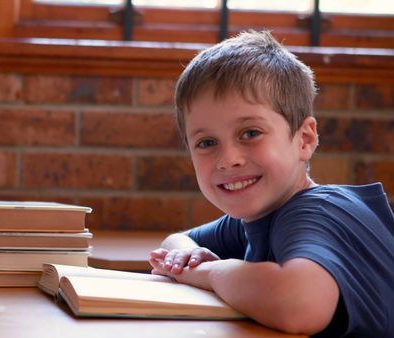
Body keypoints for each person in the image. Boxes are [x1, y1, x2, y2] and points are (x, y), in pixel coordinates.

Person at [149, 30, 394, 337]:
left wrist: (207, 273)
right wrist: (188, 257)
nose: (228, 159)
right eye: (207, 142)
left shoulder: (317, 211)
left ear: (304, 139)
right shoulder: (257, 217)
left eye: (250, 133)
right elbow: (176, 241)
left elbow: (300, 304)